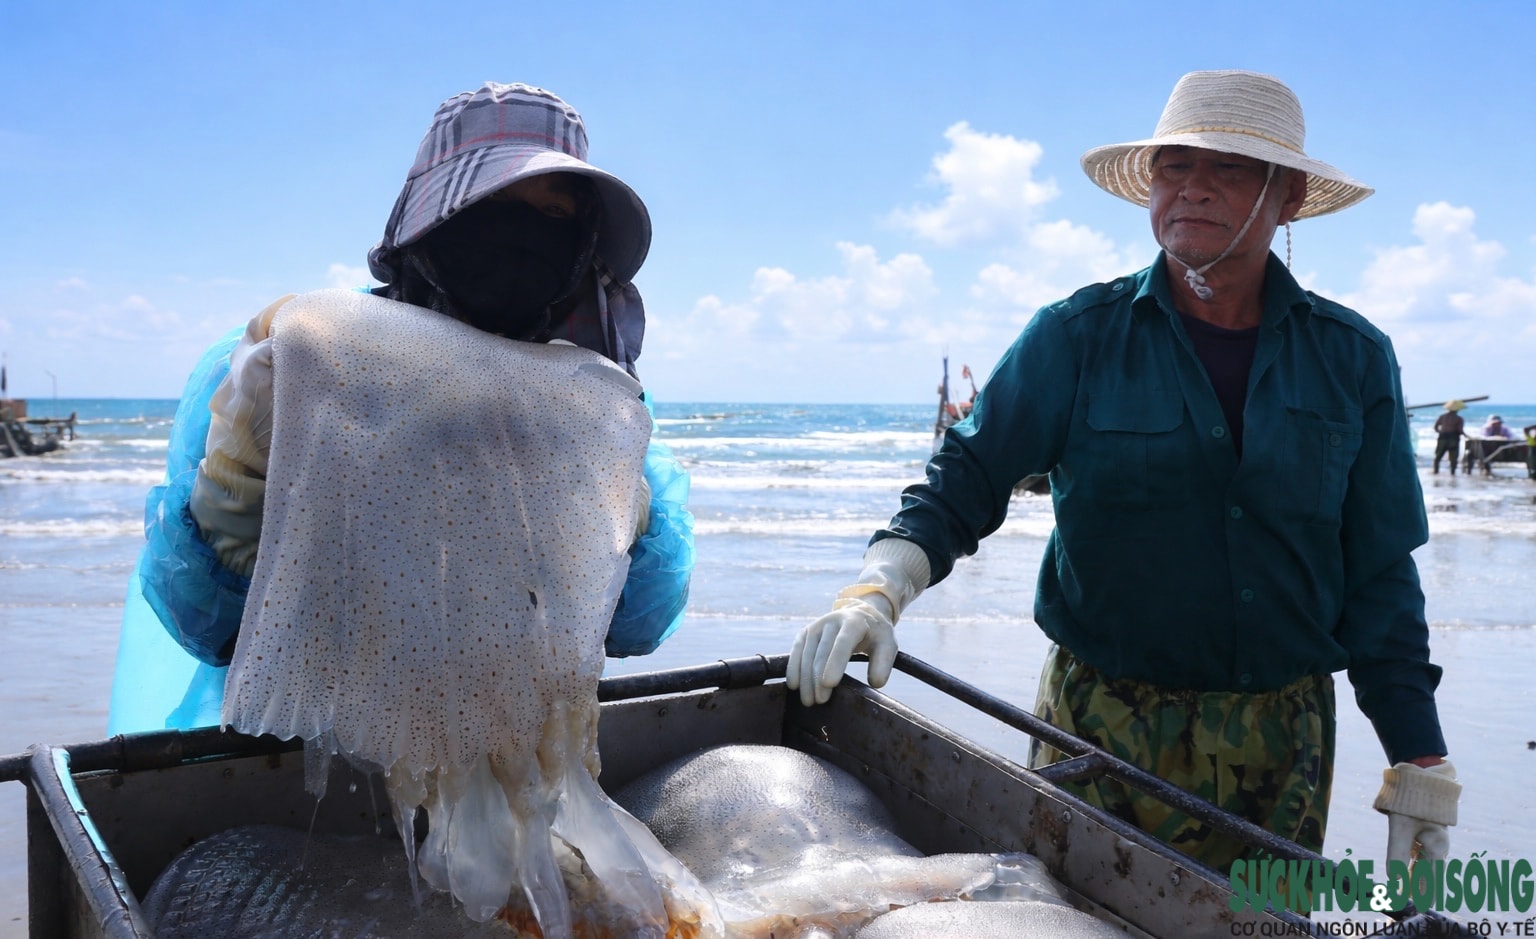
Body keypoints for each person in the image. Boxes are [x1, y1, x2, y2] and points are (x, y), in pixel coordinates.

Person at [788, 70, 1459, 873]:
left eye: (1229, 168)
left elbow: (1379, 574)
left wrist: (1420, 765)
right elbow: (966, 475)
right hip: (1097, 729)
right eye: (1174, 166)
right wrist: (878, 589)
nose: (1193, 189)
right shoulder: (1077, 337)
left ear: (1287, 198)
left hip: (1283, 753)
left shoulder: (1352, 359)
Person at [109, 82, 694, 733]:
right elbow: (213, 627)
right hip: (294, 743)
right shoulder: (297, 360)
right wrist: (234, 510)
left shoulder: (593, 403)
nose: (521, 236)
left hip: (504, 743)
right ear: (432, 217)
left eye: (553, 216)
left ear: (582, 244)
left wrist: (623, 519)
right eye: (493, 205)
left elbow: (635, 624)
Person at [1431, 400, 1467, 475]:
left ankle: (1435, 471)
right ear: (1457, 409)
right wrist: (1466, 435)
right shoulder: (1459, 419)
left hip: (1442, 438)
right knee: (1453, 458)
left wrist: (1440, 432)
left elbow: (1435, 427)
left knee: (1438, 456)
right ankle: (1452, 473)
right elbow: (1460, 430)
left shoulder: (1442, 417)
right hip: (1453, 439)